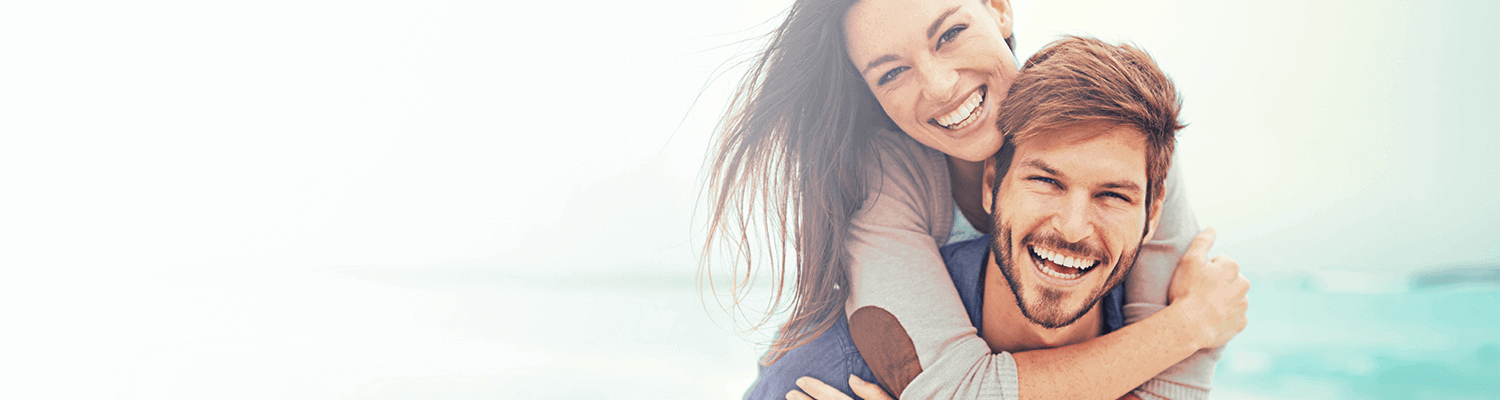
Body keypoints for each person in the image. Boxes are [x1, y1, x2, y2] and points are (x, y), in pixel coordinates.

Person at [702, 0, 1249, 398]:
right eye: (892, 72)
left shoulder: (1122, 134)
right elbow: (953, 391)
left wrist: (1183, 333)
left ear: (999, 8)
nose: (940, 86)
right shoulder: (886, 176)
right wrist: (1192, 324)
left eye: (950, 33)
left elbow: (1171, 384)